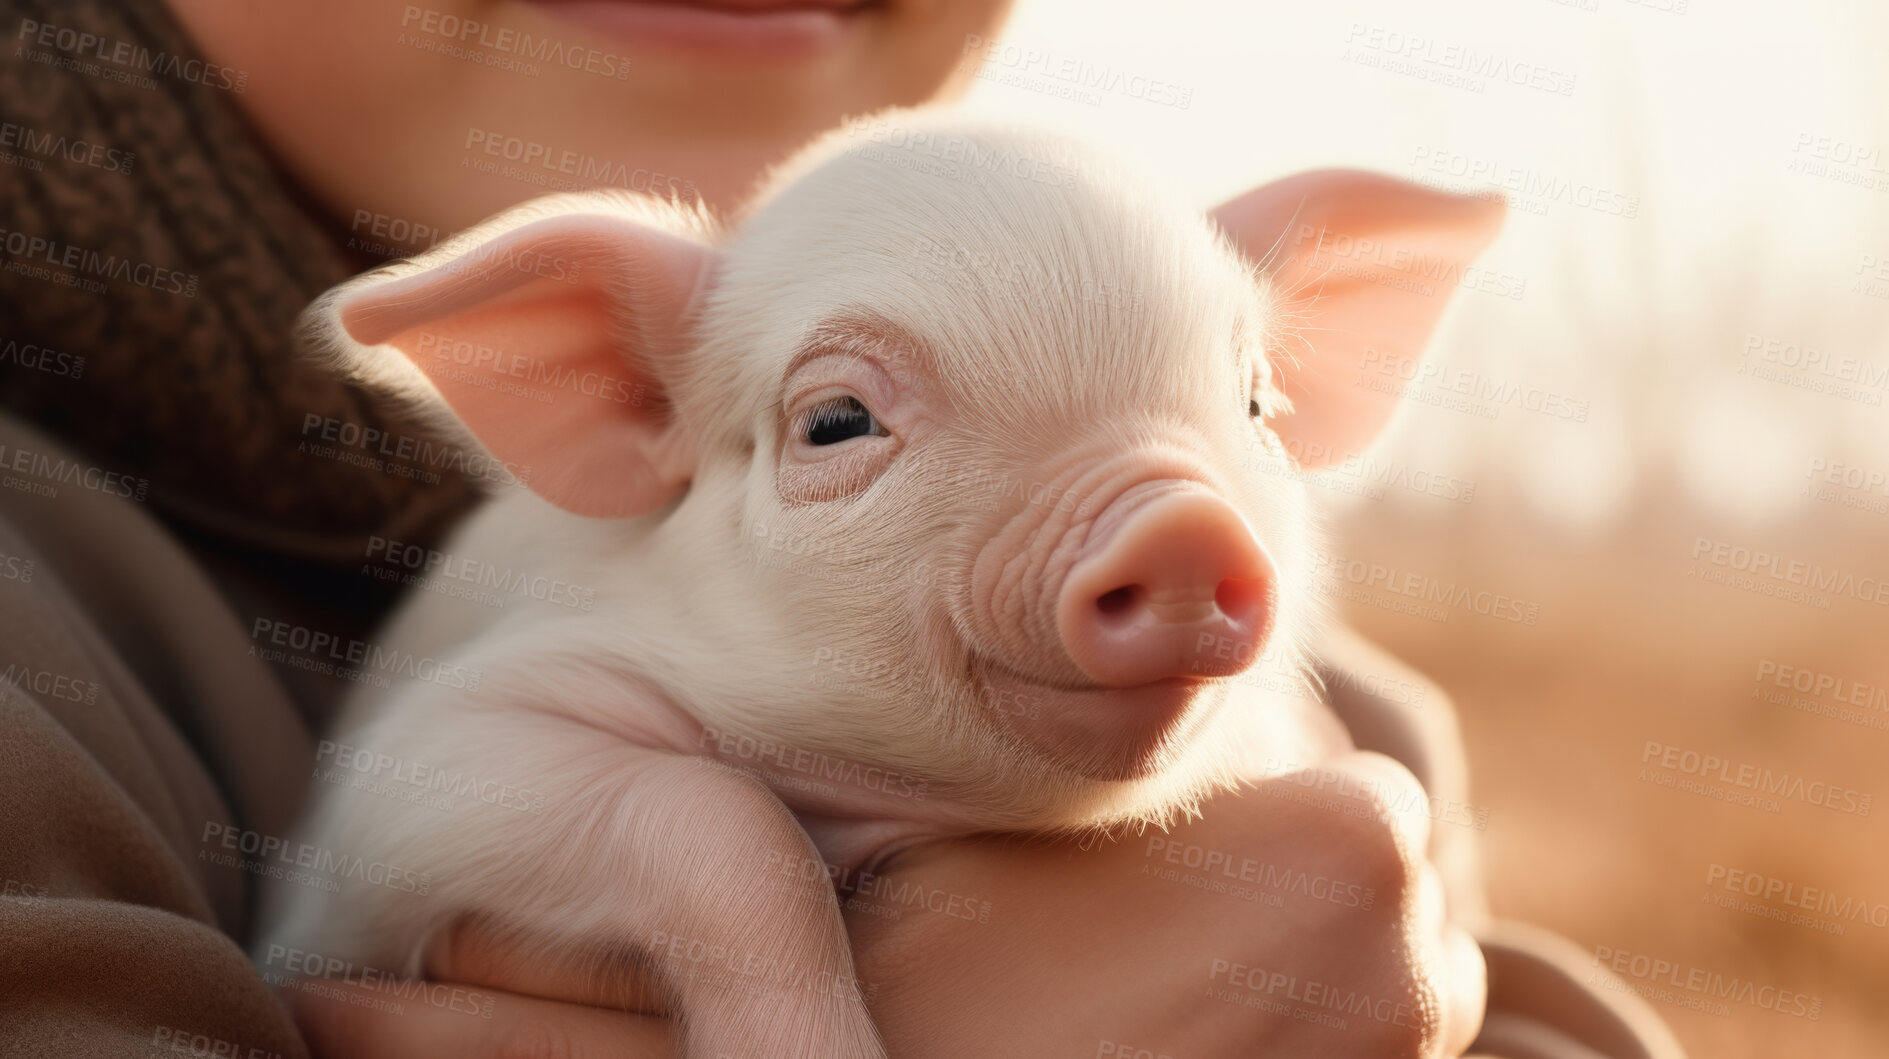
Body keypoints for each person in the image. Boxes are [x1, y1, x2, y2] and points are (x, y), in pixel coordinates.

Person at [0, 1, 1680, 1055]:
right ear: (595, 381)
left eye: (1237, 404)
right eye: (846, 421)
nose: (1164, 528)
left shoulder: (1345, 753)